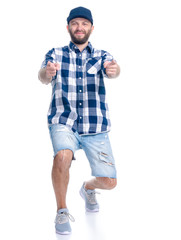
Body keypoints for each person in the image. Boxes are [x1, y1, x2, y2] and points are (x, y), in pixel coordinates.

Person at [38, 6, 120, 235]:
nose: (79, 27)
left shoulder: (102, 55)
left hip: (95, 126)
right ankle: (62, 211)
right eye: (75, 23)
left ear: (91, 28)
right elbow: (42, 75)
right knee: (62, 155)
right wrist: (48, 72)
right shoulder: (55, 54)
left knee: (110, 182)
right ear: (68, 27)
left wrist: (114, 70)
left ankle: (88, 188)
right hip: (64, 120)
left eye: (84, 23)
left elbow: (114, 69)